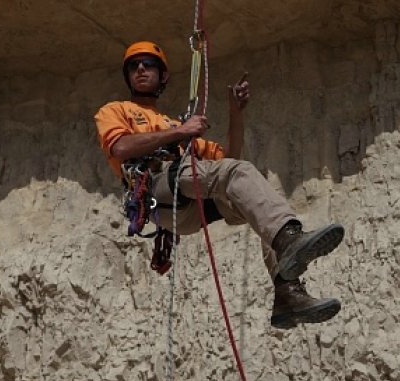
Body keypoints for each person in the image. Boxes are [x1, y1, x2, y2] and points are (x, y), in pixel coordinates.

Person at [94, 41, 345, 329]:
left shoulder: (171, 122)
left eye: (149, 64)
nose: (140, 68)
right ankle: (288, 241)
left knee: (258, 204)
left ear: (163, 75)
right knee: (235, 178)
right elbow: (121, 147)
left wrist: (235, 113)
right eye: (134, 65)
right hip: (158, 190)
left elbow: (228, 164)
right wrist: (179, 132)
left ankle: (287, 293)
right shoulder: (115, 110)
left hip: (186, 201)